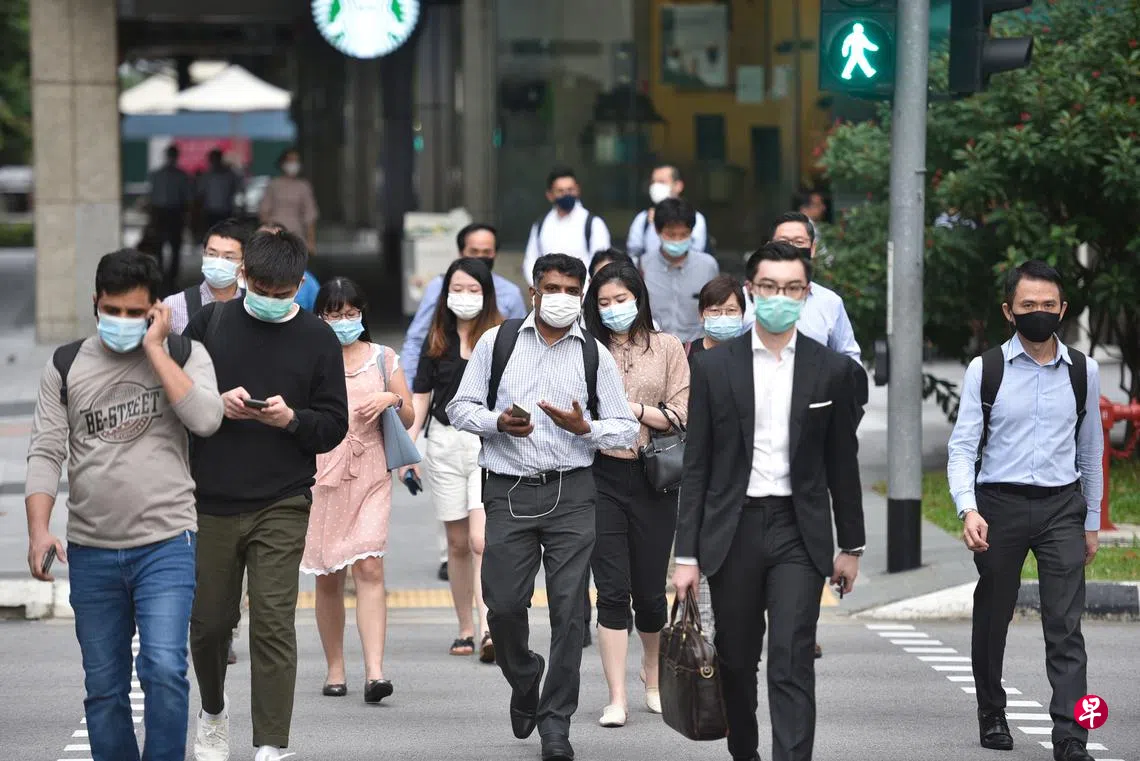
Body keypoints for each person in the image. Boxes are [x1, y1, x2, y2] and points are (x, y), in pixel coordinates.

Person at [25, 249, 224, 761]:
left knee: (164, 668)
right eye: (111, 310)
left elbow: (206, 419)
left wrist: (156, 350)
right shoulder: (65, 364)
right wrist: (39, 530)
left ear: (156, 309)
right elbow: (46, 451)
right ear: (95, 302)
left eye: (134, 312)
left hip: (167, 543)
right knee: (104, 686)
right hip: (91, 549)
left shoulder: (185, 354)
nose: (121, 320)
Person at [672, 241, 865, 761]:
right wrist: (686, 556)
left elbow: (842, 463)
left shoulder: (832, 370)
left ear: (806, 293)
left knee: (791, 657)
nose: (781, 297)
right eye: (770, 287)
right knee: (736, 661)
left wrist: (852, 546)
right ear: (752, 291)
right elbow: (697, 465)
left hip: (799, 531)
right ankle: (746, 752)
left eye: (792, 288)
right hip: (733, 529)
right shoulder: (714, 368)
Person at [447, 254, 639, 761]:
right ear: (534, 292)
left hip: (573, 491)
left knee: (569, 612)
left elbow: (625, 427)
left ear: (582, 296)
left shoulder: (593, 353)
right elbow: (459, 407)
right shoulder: (498, 342)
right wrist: (497, 422)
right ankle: (525, 674)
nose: (561, 298)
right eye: (552, 288)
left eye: (572, 291)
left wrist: (586, 428)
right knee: (504, 606)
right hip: (507, 490)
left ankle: (556, 723)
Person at [185, 228, 349, 761]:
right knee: (210, 625)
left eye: (283, 294)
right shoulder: (209, 324)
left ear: (300, 285)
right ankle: (213, 712)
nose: (272, 301)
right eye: (262, 291)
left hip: (283, 498)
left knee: (274, 623)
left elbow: (334, 424)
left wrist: (291, 419)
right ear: (244, 277)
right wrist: (216, 403)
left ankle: (271, 744)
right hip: (211, 498)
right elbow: (178, 401)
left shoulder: (319, 338)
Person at [946, 260, 1102, 761]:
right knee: (994, 616)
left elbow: (1090, 450)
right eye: (1028, 304)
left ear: (1063, 309)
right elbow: (962, 447)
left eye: (1048, 304)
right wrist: (968, 509)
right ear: (1009, 311)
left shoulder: (1084, 371)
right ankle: (991, 711)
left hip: (1062, 507)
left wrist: (1091, 521)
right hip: (1000, 506)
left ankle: (1071, 736)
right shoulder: (987, 369)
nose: (1040, 312)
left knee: (1065, 624)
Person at [582, 261, 690, 728]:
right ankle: (616, 697)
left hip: (653, 478)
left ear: (639, 299)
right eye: (604, 302)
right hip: (599, 475)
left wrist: (632, 410)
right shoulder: (585, 347)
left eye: (621, 299)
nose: (613, 309)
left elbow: (681, 413)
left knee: (648, 593)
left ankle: (652, 676)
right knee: (611, 590)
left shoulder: (668, 347)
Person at [302, 277, 413, 703]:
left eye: (351, 313)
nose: (344, 321)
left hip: (370, 471)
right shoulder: (310, 357)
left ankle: (375, 671)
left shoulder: (383, 357)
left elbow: (409, 413)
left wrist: (391, 400)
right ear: (320, 317)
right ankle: (335, 668)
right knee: (329, 575)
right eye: (335, 314)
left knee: (370, 567)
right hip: (323, 473)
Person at [765, 209, 866, 659]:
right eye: (782, 240)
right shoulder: (748, 299)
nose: (791, 248)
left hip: (811, 439)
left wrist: (834, 405)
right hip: (756, 440)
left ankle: (801, 624)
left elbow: (851, 362)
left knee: (806, 533)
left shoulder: (828, 303)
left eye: (799, 243)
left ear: (813, 249)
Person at [404, 258, 504, 661]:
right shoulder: (437, 340)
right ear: (445, 294)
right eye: (457, 289)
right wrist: (408, 449)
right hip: (444, 445)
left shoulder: (501, 338)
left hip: (486, 444)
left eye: (473, 290)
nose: (464, 297)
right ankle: (465, 628)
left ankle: (489, 628)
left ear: (487, 293)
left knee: (481, 541)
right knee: (458, 544)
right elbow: (421, 398)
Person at [402, 223, 526, 389]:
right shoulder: (438, 286)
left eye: (486, 252)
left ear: (494, 253)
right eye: (474, 251)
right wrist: (407, 389)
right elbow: (416, 339)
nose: (480, 257)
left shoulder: (510, 292)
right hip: (446, 381)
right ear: (461, 252)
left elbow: (520, 345)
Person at [639, 197, 720, 343]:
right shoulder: (643, 265)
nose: (677, 240)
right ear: (657, 230)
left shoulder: (708, 266)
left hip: (695, 348)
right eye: (671, 235)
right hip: (655, 347)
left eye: (684, 234)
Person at [521, 167, 612, 286]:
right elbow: (530, 261)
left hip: (583, 294)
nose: (566, 194)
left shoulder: (594, 224)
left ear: (578, 190)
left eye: (570, 189)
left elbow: (602, 265)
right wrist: (540, 288)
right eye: (560, 191)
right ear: (550, 195)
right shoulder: (540, 225)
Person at [166, 218, 248, 336]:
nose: (218, 263)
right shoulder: (173, 306)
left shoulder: (252, 306)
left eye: (228, 257)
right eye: (212, 254)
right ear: (204, 255)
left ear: (243, 263)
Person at [625, 164, 709, 259]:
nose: (655, 186)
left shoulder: (696, 217)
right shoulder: (643, 218)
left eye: (661, 182)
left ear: (678, 186)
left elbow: (697, 253)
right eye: (653, 182)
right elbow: (633, 254)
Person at [148, 144, 193, 294]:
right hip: (166, 212)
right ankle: (165, 277)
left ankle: (168, 277)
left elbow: (153, 197)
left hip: (171, 212)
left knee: (171, 247)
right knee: (164, 247)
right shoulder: (166, 175)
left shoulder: (164, 175)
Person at [259, 148, 319, 254]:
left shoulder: (303, 186)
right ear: (283, 163)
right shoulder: (274, 184)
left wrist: (311, 241)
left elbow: (310, 216)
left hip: (296, 234)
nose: (293, 164)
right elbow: (264, 211)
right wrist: (266, 233)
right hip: (275, 233)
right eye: (290, 160)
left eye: (296, 161)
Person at [687, 274, 747, 357]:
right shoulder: (684, 354)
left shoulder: (752, 355)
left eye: (731, 310)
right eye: (715, 310)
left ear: (742, 315)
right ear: (701, 314)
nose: (723, 318)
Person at [198, 149, 243, 231]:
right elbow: (201, 193)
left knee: (225, 232)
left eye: (216, 158)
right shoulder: (206, 176)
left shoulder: (229, 174)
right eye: (213, 159)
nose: (214, 161)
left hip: (226, 210)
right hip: (211, 211)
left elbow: (239, 187)